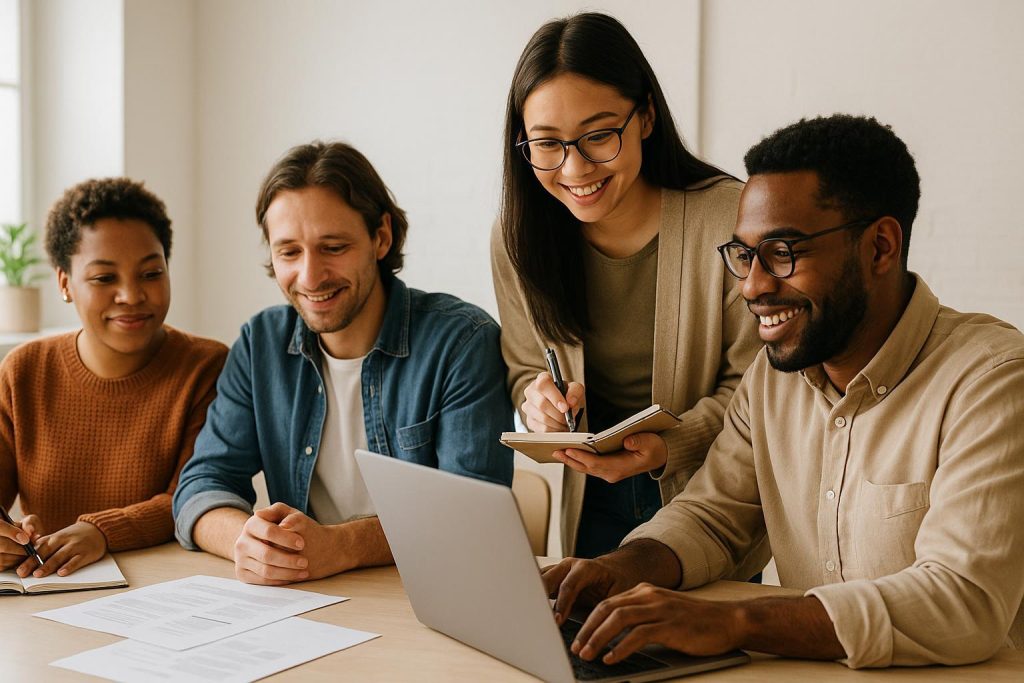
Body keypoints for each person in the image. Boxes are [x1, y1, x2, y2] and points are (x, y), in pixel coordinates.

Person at [542, 114, 1024, 668]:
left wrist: (734, 622)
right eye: (745, 255)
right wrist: (620, 569)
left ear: (881, 247)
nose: (752, 285)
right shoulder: (773, 378)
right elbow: (714, 517)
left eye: (783, 252)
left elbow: (962, 601)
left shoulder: (991, 379)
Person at [173, 141, 514, 586]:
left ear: (381, 238)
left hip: (428, 597)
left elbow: (472, 516)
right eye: (289, 252)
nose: (310, 277)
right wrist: (249, 541)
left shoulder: (462, 342)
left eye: (332, 247)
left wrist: (342, 546)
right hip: (307, 599)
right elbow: (202, 483)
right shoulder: (260, 344)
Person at [491, 12, 763, 561]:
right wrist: (536, 403)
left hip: (706, 493)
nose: (574, 167)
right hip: (587, 496)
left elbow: (758, 390)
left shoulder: (730, 220)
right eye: (547, 144)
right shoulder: (518, 236)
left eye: (598, 136)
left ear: (645, 117)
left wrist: (670, 445)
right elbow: (526, 366)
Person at [0, 178, 227, 578]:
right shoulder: (23, 371)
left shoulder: (205, 366)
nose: (131, 295)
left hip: (169, 590)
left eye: (151, 273)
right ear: (65, 283)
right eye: (105, 278)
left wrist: (101, 531)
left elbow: (192, 496)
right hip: (50, 588)